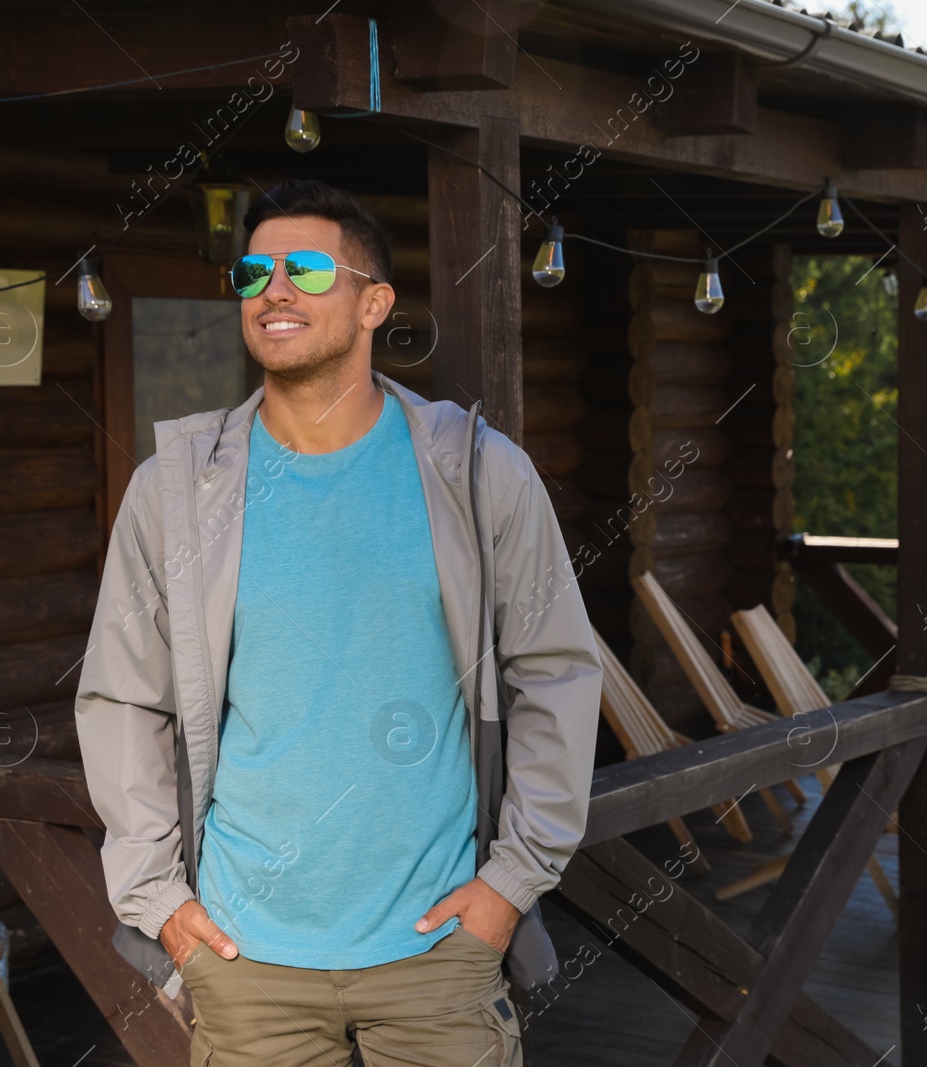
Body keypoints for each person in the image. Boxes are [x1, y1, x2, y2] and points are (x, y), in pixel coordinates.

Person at [75, 179, 602, 1067]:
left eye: (307, 268)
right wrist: (159, 899)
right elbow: (121, 697)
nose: (273, 289)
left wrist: (509, 884)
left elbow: (555, 672)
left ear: (374, 303)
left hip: (439, 947)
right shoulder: (175, 489)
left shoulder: (475, 472)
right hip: (245, 958)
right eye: (254, 271)